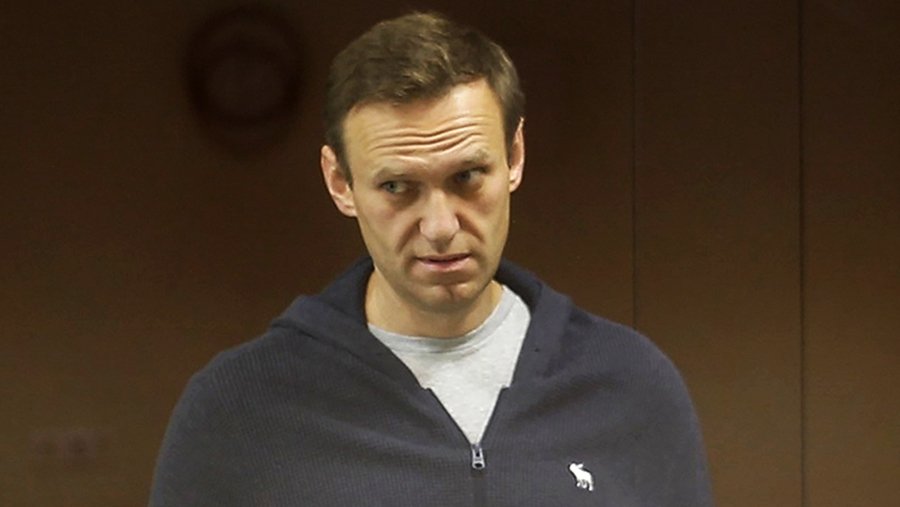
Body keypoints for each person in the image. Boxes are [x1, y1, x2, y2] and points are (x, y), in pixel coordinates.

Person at [150, 12, 713, 506]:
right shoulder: (238, 412)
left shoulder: (630, 387)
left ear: (514, 156)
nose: (440, 227)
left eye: (467, 177)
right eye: (397, 187)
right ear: (340, 183)